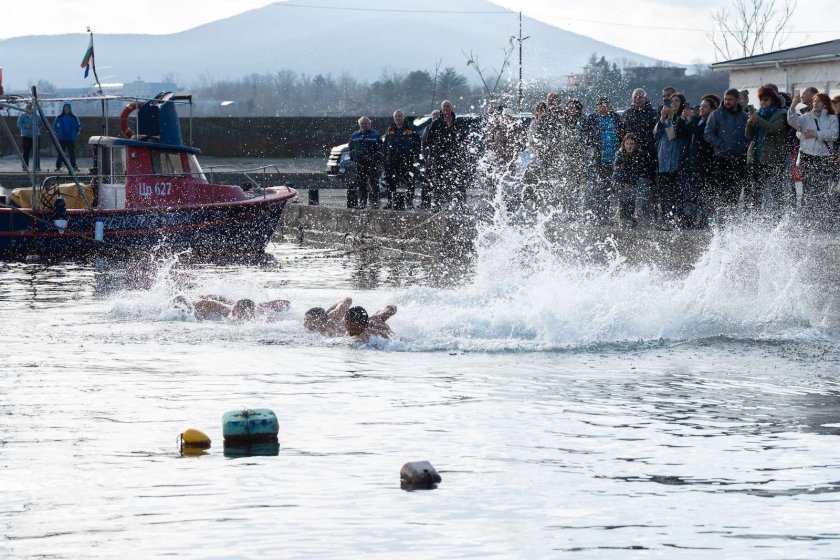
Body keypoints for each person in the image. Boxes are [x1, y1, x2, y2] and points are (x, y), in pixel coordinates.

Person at [787, 91, 839, 216]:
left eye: (818, 101)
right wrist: (792, 107)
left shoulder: (832, 118)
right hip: (807, 156)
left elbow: (834, 135)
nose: (815, 103)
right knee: (808, 185)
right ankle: (808, 213)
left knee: (821, 186)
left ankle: (821, 213)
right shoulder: (806, 117)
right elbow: (793, 122)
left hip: (824, 156)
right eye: (814, 101)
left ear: (825, 104)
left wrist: (816, 134)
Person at [704, 88, 749, 213]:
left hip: (739, 160)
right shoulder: (716, 114)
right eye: (725, 99)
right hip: (721, 159)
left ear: (737, 100)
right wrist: (721, 145)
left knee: (735, 194)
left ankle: (732, 219)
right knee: (722, 194)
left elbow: (749, 135)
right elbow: (708, 133)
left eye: (730, 99)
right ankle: (721, 219)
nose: (727, 102)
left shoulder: (744, 116)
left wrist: (744, 146)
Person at [745, 85, 788, 213]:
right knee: (756, 191)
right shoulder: (758, 113)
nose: (763, 102)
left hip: (773, 158)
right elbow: (748, 136)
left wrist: (757, 120)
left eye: (766, 99)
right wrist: (749, 123)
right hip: (756, 157)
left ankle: (778, 216)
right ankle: (756, 216)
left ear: (773, 100)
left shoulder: (781, 113)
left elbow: (774, 129)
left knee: (776, 191)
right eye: (761, 99)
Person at [653, 92, 692, 227]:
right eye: (671, 101)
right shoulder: (665, 119)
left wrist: (673, 118)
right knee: (664, 194)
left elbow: (674, 135)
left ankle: (678, 219)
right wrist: (662, 119)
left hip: (677, 161)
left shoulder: (683, 119)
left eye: (676, 101)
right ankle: (666, 219)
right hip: (664, 161)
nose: (673, 103)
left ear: (682, 104)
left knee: (678, 193)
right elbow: (655, 133)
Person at [581, 97, 621, 222]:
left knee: (609, 188)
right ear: (597, 107)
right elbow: (583, 135)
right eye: (601, 106)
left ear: (609, 106)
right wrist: (589, 146)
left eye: (605, 105)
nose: (603, 108)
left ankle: (607, 215)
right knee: (597, 187)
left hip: (613, 159)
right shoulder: (592, 118)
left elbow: (622, 133)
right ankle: (596, 215)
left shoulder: (615, 118)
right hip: (598, 159)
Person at [424, 100, 467, 210]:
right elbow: (429, 140)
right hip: (439, 157)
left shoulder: (457, 123)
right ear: (442, 109)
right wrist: (432, 153)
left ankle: (461, 204)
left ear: (451, 108)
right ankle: (438, 204)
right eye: (444, 107)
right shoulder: (436, 123)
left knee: (458, 180)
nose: (446, 109)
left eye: (448, 106)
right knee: (439, 181)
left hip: (454, 156)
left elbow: (464, 139)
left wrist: (461, 152)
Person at [620, 89, 658, 211]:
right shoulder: (627, 113)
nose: (638, 99)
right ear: (632, 99)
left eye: (640, 97)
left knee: (649, 188)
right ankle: (628, 215)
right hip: (630, 155)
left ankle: (649, 214)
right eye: (635, 97)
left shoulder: (653, 113)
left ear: (645, 98)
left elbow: (657, 134)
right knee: (629, 187)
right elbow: (621, 135)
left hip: (649, 156)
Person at [685, 96, 719, 226]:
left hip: (707, 163)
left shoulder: (712, 122)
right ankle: (693, 219)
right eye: (700, 106)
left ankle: (707, 221)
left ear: (711, 109)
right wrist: (685, 119)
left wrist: (690, 120)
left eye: (705, 106)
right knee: (693, 194)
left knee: (707, 194)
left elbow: (701, 135)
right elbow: (684, 131)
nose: (701, 108)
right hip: (694, 162)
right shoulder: (698, 120)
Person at [382, 110, 421, 209]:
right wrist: (385, 157)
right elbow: (385, 144)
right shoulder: (390, 129)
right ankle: (391, 202)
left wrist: (416, 156)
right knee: (391, 181)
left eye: (399, 116)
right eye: (396, 116)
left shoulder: (411, 128)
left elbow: (417, 143)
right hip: (392, 159)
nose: (398, 118)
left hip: (407, 159)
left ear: (403, 117)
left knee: (409, 181)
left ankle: (409, 202)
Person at [612, 133, 650, 227]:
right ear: (624, 144)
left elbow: (643, 174)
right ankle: (624, 216)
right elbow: (617, 174)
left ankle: (638, 211)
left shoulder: (641, 155)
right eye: (627, 144)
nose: (629, 146)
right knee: (618, 184)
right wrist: (627, 181)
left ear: (635, 145)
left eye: (632, 144)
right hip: (624, 188)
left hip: (636, 187)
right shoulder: (619, 154)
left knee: (644, 184)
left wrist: (630, 180)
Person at [556, 98, 584, 212]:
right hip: (565, 157)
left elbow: (583, 138)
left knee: (577, 185)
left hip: (579, 158)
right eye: (569, 107)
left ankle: (575, 209)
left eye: (573, 107)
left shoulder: (582, 120)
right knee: (566, 185)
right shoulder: (563, 120)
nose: (571, 110)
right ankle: (566, 208)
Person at [348, 116, 381, 209]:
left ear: (369, 124)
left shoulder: (375, 134)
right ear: (359, 124)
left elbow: (380, 149)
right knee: (361, 183)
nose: (363, 125)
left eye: (365, 123)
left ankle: (375, 202)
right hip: (360, 163)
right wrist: (354, 157)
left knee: (374, 182)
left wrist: (375, 158)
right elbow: (350, 148)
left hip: (372, 163)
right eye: (362, 124)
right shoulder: (355, 135)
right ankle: (363, 202)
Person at [175, 295, 290, 321]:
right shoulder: (227, 311)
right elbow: (200, 303)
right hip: (208, 302)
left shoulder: (259, 311)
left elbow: (286, 303)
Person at [53, 103, 81, 172]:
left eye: (68, 108)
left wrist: (75, 134)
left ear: (70, 109)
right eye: (65, 108)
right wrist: (58, 133)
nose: (66, 109)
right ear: (63, 109)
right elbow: (55, 127)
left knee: (72, 153)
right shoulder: (59, 117)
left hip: (71, 138)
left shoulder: (74, 117)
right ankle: (58, 167)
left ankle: (74, 166)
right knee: (61, 153)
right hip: (62, 138)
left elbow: (78, 126)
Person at [16, 103, 41, 171]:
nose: (29, 109)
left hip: (35, 136)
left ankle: (37, 167)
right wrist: (25, 126)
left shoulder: (36, 116)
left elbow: (40, 124)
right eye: (28, 108)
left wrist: (36, 129)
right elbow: (18, 124)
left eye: (31, 108)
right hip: (26, 136)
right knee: (25, 152)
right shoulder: (22, 116)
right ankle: (25, 166)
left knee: (36, 152)